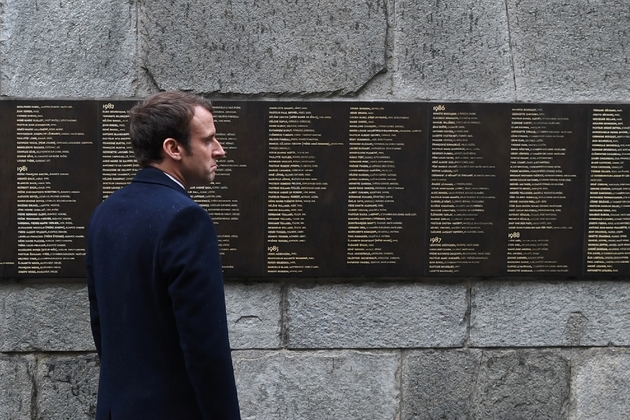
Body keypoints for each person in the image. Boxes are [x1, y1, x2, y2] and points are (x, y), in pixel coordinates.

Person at [86, 91, 241, 419]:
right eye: (209, 139)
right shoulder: (186, 219)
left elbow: (103, 327)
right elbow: (205, 348)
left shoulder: (104, 214)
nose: (220, 151)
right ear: (173, 148)